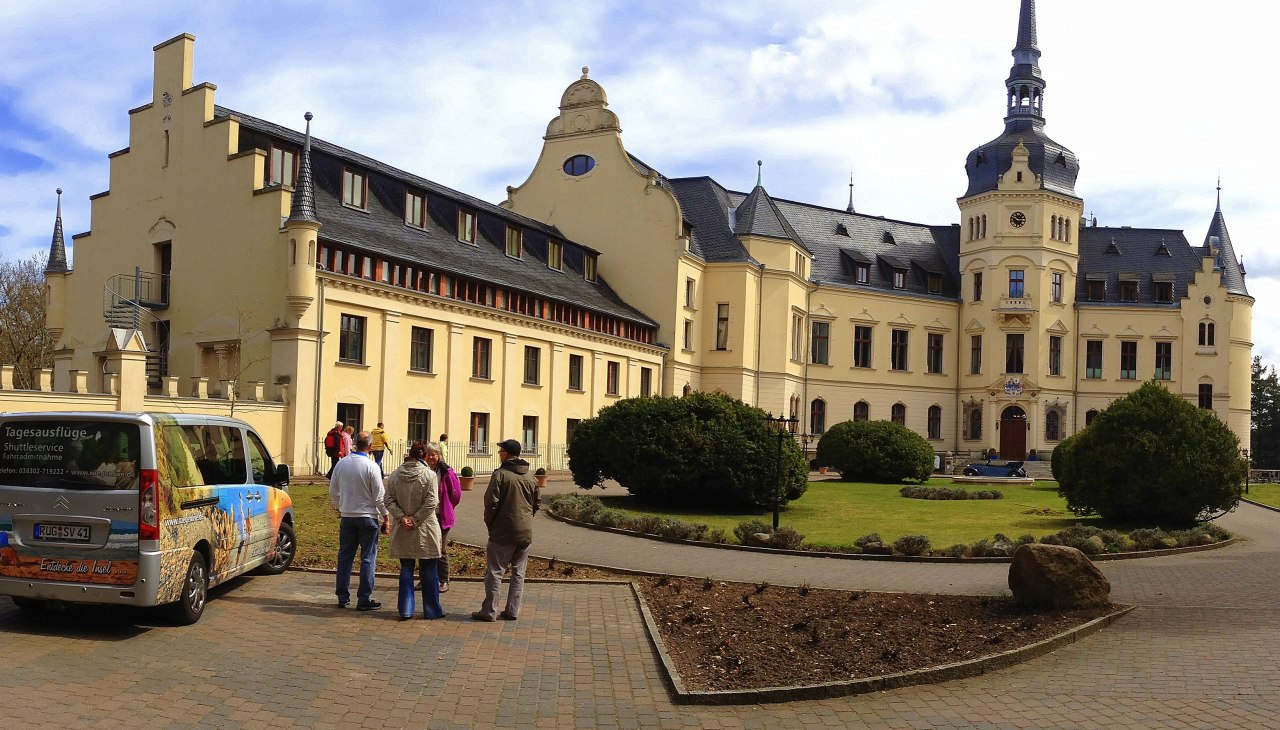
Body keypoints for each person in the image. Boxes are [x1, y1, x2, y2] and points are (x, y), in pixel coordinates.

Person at [472, 439, 539, 622]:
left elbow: (490, 503)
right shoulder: (530, 476)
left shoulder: (500, 475)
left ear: (507, 454)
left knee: (495, 571)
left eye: (500, 451)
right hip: (525, 532)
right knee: (519, 573)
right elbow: (536, 504)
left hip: (502, 532)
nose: (499, 454)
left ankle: (489, 611)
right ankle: (512, 611)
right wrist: (524, 519)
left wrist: (491, 524)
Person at [329, 431, 389, 611]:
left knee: (345, 556)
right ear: (370, 447)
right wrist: (386, 516)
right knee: (368, 558)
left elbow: (333, 490)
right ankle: (364, 598)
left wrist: (341, 506)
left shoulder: (341, 464)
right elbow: (379, 496)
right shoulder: (372, 466)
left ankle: (342, 596)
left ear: (355, 443)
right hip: (368, 517)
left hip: (348, 516)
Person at [384, 442, 444, 620]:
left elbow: (388, 500)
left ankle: (406, 609)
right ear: (425, 456)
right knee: (429, 569)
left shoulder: (395, 475)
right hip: (425, 528)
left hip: (403, 528)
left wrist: (402, 517)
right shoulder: (429, 475)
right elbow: (432, 502)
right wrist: (415, 519)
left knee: (406, 568)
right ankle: (432, 610)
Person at [424, 441, 462, 593]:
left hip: (442, 515)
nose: (431, 457)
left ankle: (443, 580)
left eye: (433, 454)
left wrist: (447, 506)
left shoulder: (447, 472)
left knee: (441, 549)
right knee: (425, 548)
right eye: (428, 454)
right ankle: (426, 578)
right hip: (426, 515)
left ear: (439, 455)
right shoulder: (424, 470)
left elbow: (457, 494)